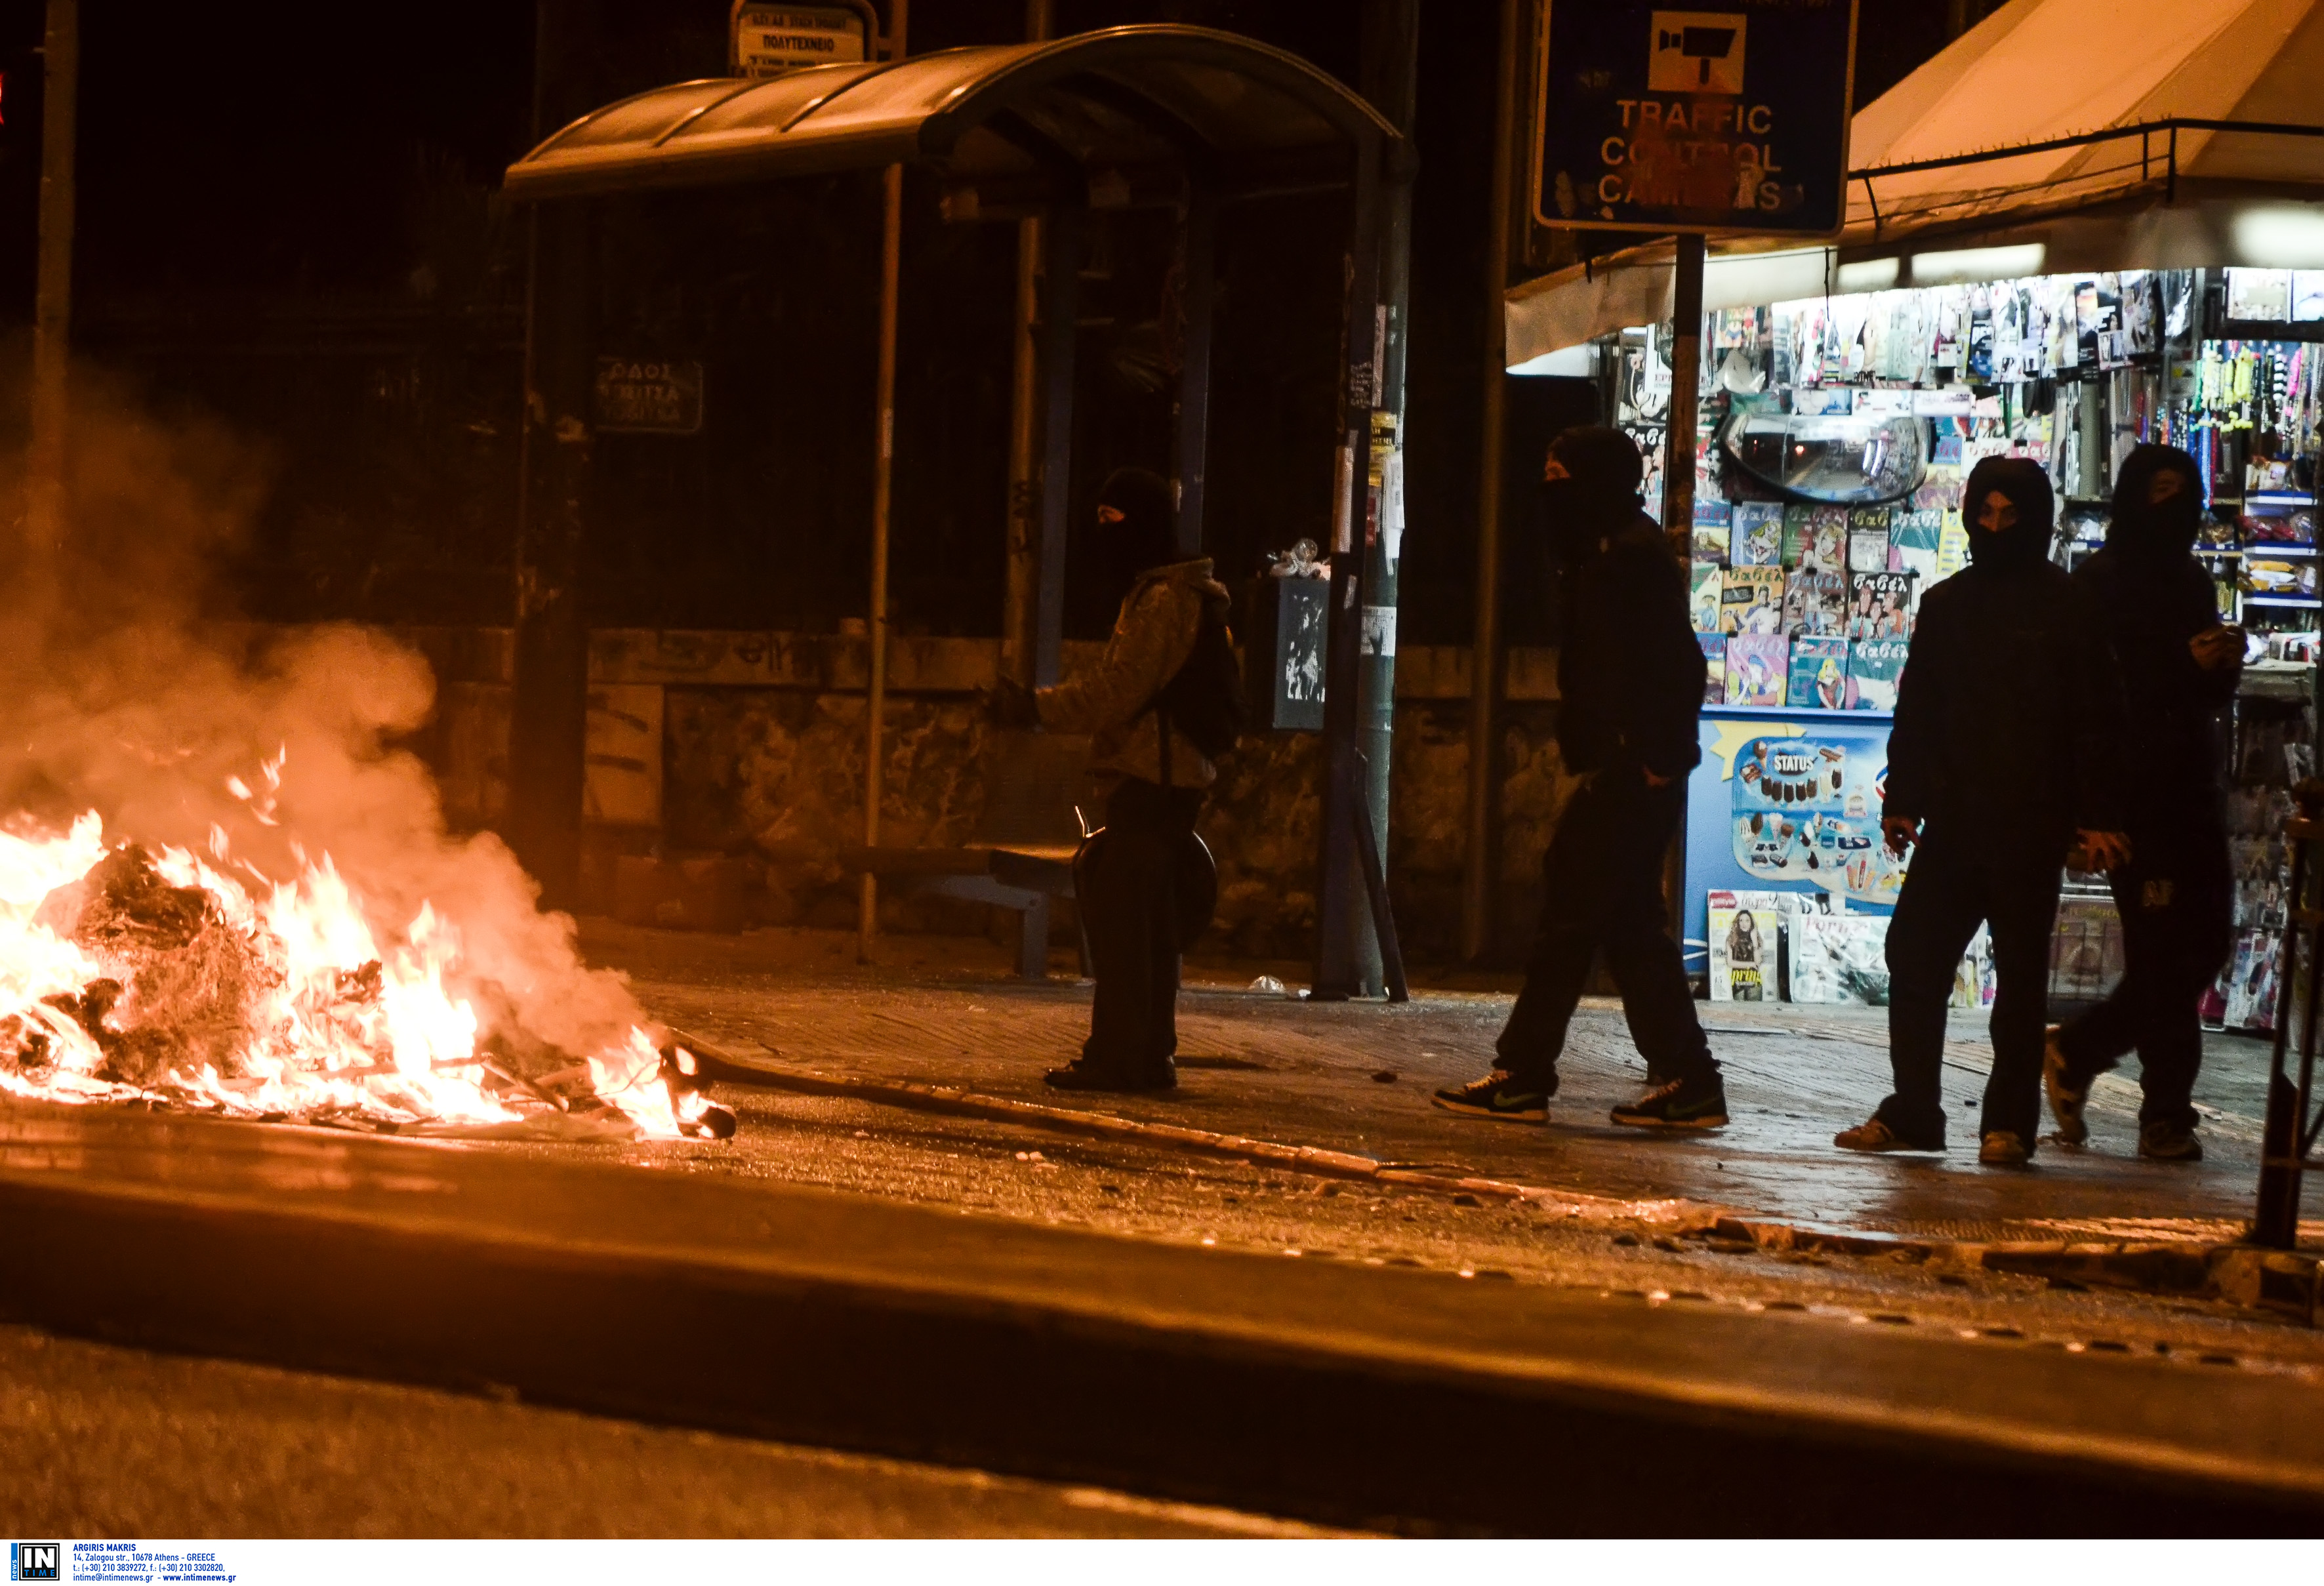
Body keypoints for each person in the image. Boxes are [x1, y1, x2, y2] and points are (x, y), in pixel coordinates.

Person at [1835, 457, 2130, 1167]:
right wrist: (1904, 799)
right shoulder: (1948, 605)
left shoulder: (2069, 608)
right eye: (1985, 514)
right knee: (1915, 956)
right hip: (1960, 819)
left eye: (2009, 516)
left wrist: (2094, 816)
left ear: (2034, 519)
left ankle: (2008, 1125)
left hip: (2034, 821)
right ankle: (1917, 1110)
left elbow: (2097, 720)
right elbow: (1920, 710)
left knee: (2022, 981)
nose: (1995, 528)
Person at [1433, 426, 1727, 1129]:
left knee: (1571, 918)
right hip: (1623, 763)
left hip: (1631, 769)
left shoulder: (1630, 559)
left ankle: (1526, 1072)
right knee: (1627, 928)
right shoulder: (1604, 553)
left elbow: (1674, 664)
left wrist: (1656, 757)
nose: (1550, 489)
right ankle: (1685, 1080)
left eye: (1562, 474)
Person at [995, 466, 1230, 1093]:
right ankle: (1143, 1055)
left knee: (1127, 931)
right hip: (1161, 779)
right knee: (1145, 932)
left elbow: (1117, 692)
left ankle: (1123, 1058)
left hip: (1152, 780)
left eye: (1113, 521)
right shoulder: (1166, 594)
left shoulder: (1165, 601)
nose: (1102, 536)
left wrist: (1037, 708)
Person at [2045, 445, 2243, 1161]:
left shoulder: (2191, 582)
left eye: (2185, 495)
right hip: (2136, 798)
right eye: (2161, 493)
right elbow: (2097, 697)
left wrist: (2219, 668)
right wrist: (2093, 808)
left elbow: (2192, 691)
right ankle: (2164, 1111)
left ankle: (2082, 1050)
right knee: (2164, 951)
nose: (2177, 510)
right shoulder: (2099, 583)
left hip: (2191, 789)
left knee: (2206, 942)